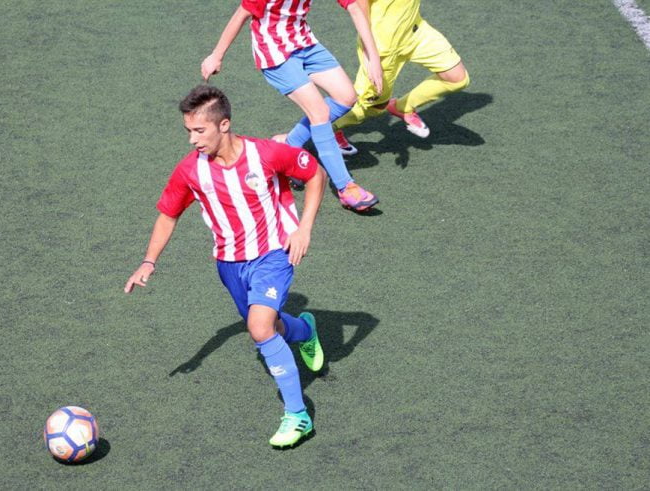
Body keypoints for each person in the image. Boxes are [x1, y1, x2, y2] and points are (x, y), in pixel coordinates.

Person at [124, 85, 326, 448]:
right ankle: (305, 331)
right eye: (188, 131)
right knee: (272, 326)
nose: (191, 140)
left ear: (224, 125)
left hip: (272, 254)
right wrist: (148, 261)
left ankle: (298, 415)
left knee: (260, 327)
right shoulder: (190, 172)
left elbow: (314, 174)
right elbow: (168, 215)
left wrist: (304, 228)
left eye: (199, 131)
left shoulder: (266, 153)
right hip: (229, 264)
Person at [201, 0, 383, 212]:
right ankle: (345, 187)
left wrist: (374, 58)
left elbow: (354, 7)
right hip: (276, 54)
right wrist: (216, 56)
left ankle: (290, 143)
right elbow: (242, 14)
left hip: (305, 43)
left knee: (347, 97)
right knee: (320, 113)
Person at [332, 0, 470, 155]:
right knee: (372, 107)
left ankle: (402, 107)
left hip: (415, 32)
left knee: (457, 77)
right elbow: (359, 12)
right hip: (382, 49)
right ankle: (327, 129)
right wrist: (371, 57)